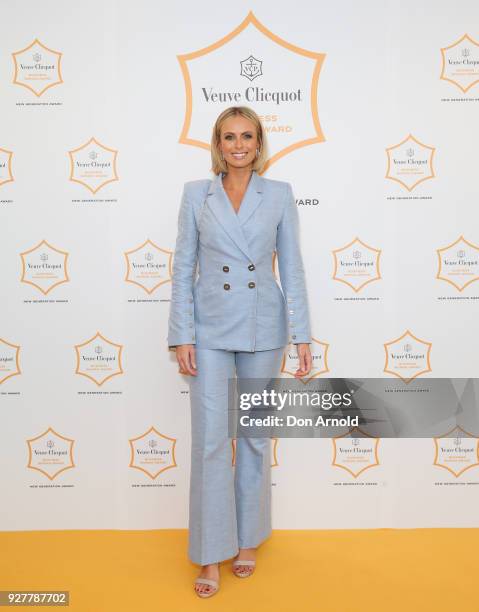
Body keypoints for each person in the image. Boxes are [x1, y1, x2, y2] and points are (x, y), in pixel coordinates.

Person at [167, 105, 312, 598]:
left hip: (263, 328)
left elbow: (290, 268)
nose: (238, 145)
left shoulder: (280, 195)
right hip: (207, 329)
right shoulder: (195, 195)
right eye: (228, 136)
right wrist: (181, 334)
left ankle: (248, 540)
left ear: (258, 142)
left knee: (253, 437)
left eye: (247, 136)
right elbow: (183, 266)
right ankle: (210, 554)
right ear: (217, 143)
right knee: (209, 440)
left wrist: (304, 336)